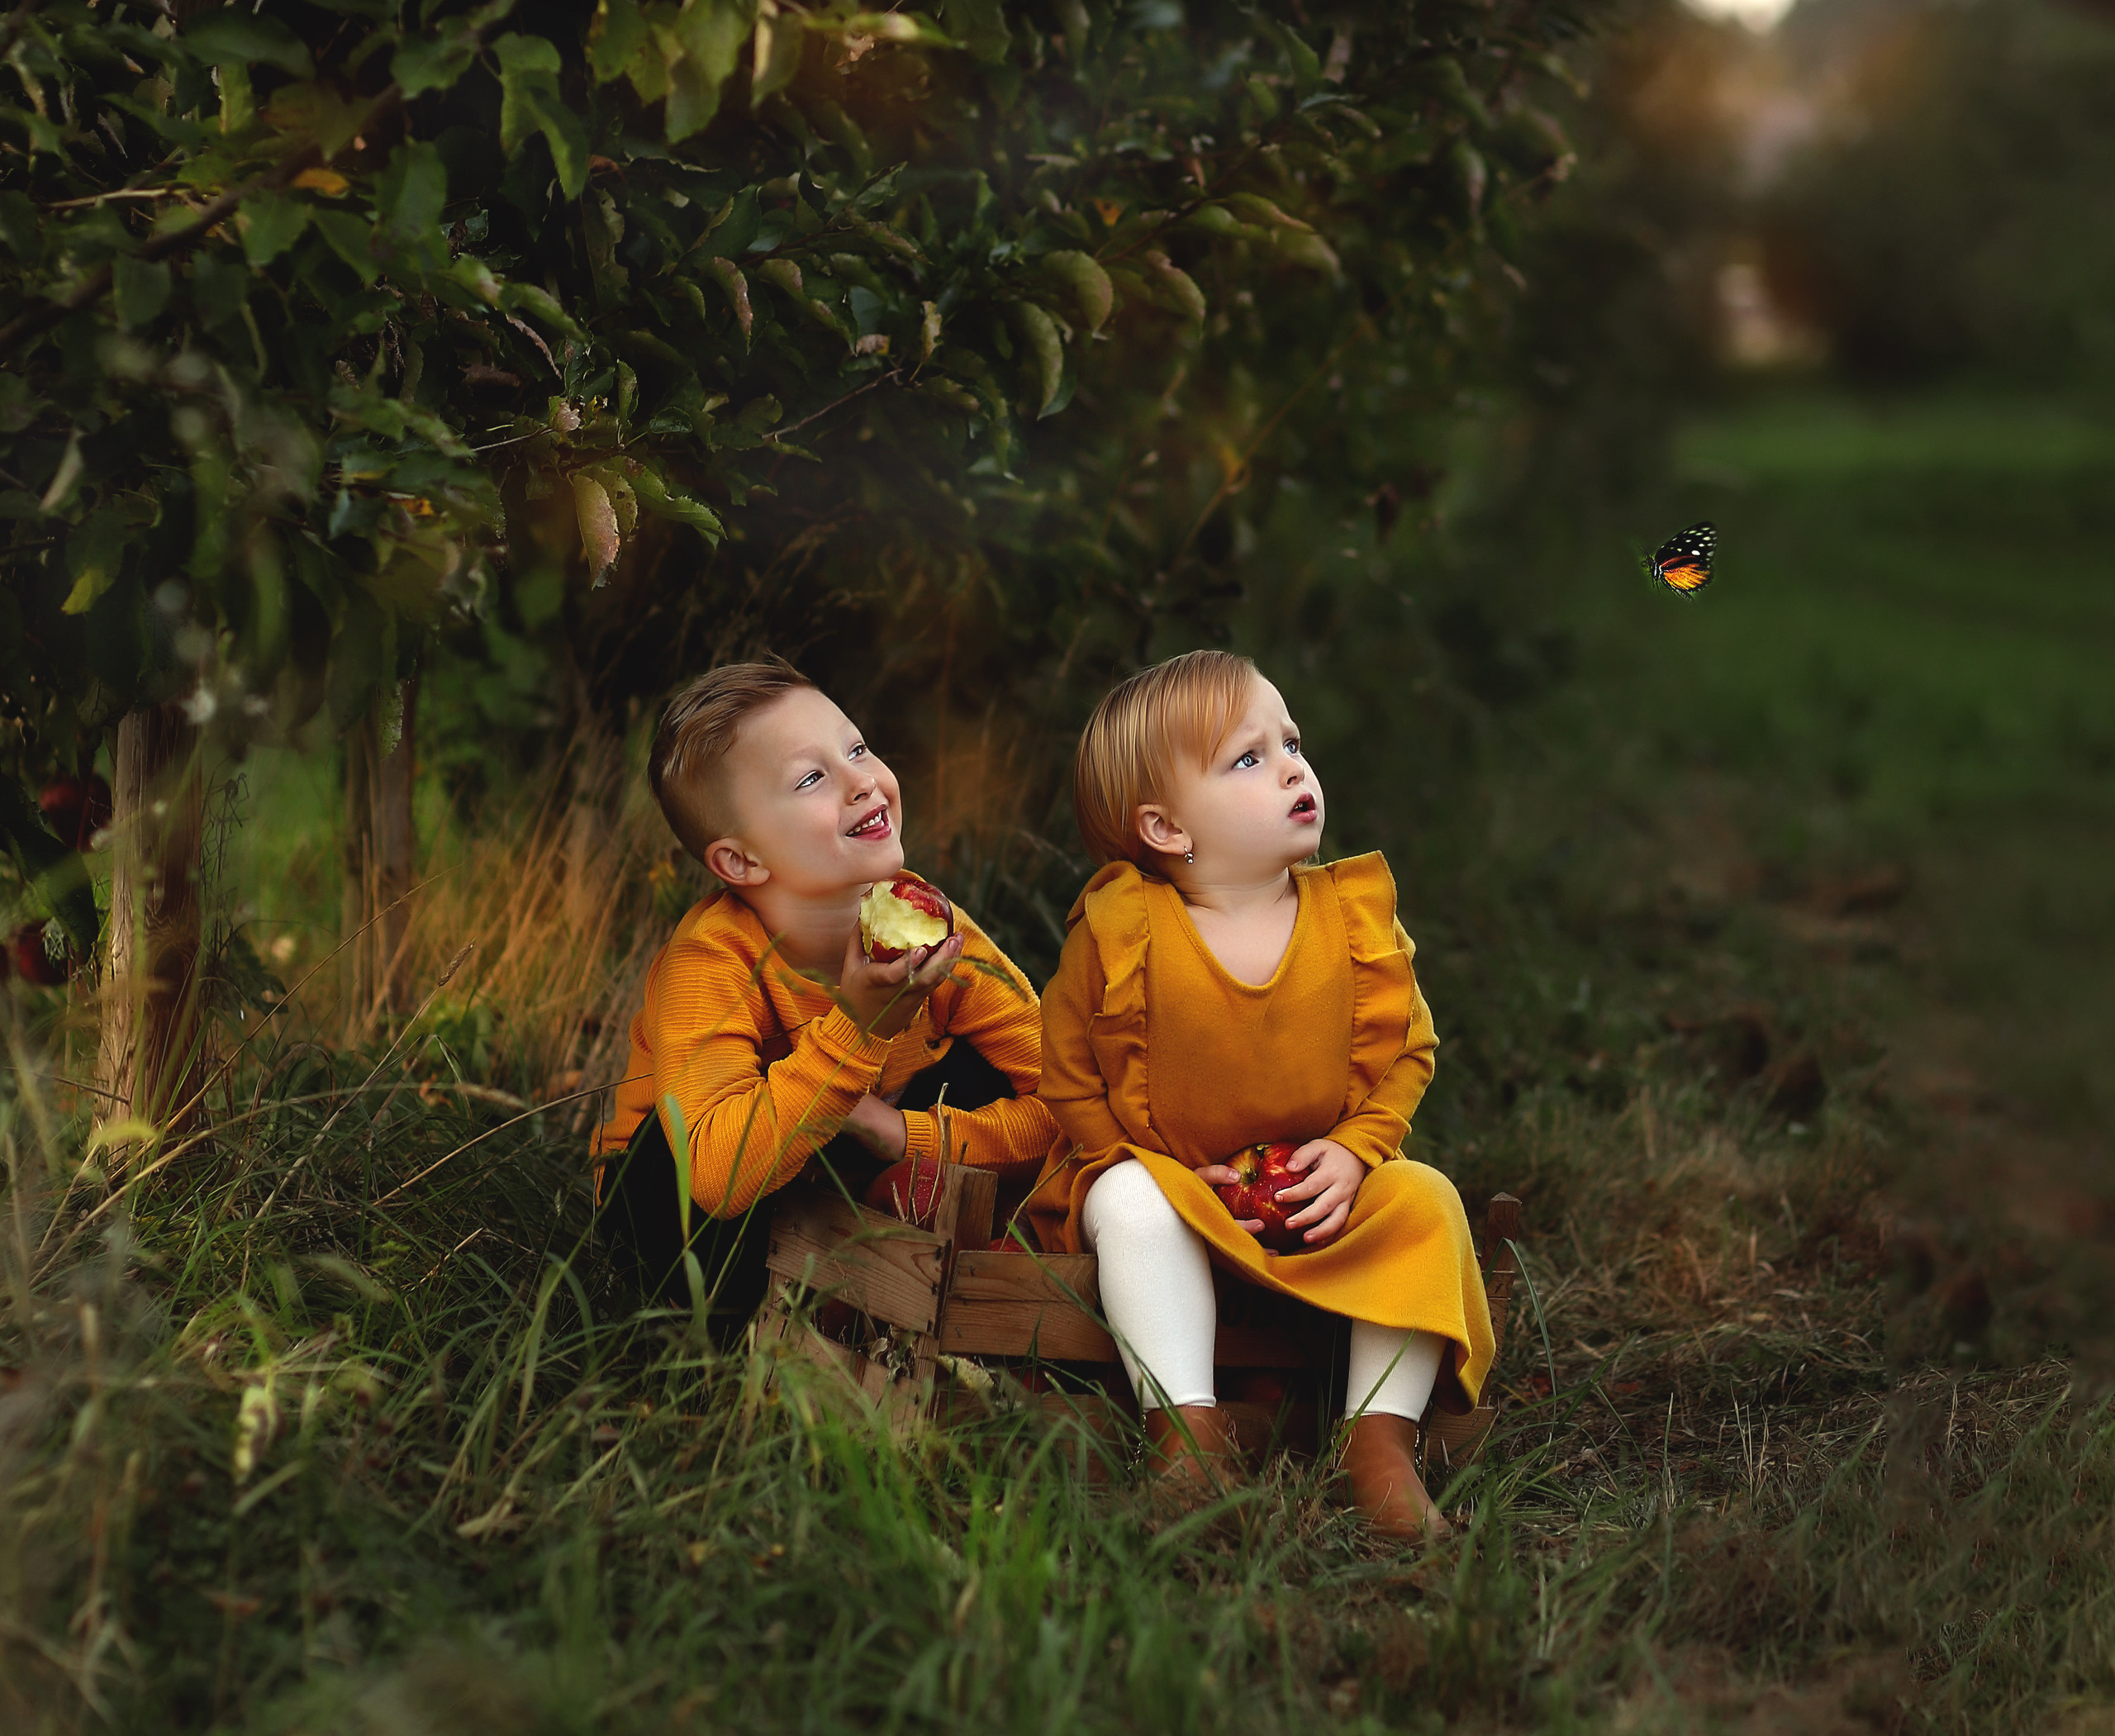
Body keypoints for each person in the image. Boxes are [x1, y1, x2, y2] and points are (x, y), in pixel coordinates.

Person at [1024, 649, 1495, 1540]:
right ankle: (1186, 1432)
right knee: (1125, 1200)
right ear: (1165, 829)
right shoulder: (1127, 928)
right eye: (1249, 758)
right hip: (1178, 1185)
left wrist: (1356, 1152)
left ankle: (1377, 1445)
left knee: (1427, 1200)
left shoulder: (1352, 917)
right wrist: (1153, 1167)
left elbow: (1410, 1049)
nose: (1291, 766)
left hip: (1316, 1193)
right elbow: (1069, 1071)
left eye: (1292, 742)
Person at [593, 660, 1060, 1336]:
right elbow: (719, 1177)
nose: (862, 780)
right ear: (742, 862)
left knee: (981, 1074)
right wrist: (859, 1027)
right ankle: (731, 1343)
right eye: (812, 778)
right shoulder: (713, 958)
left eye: (857, 748)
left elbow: (1069, 1099)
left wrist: (901, 1133)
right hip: (685, 1232)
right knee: (679, 1156)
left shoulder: (932, 927)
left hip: (847, 1161)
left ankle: (881, 1278)